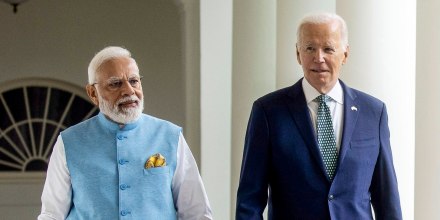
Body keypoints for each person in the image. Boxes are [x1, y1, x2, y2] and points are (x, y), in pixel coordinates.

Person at [236, 12, 402, 219]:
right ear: (298, 54)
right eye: (310, 48)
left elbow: (387, 199)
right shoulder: (268, 112)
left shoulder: (373, 112)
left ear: (345, 54)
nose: (319, 58)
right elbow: (249, 200)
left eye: (328, 49)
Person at [38, 46, 212, 219]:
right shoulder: (69, 143)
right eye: (115, 84)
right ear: (93, 93)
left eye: (134, 81)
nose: (129, 91)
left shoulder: (170, 136)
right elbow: (52, 214)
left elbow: (196, 213)